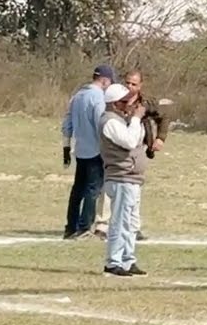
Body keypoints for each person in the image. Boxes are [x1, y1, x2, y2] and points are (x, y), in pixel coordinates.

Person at [92, 69, 167, 240]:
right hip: (118, 149)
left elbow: (164, 116)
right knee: (111, 187)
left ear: (141, 86)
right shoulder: (114, 104)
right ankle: (103, 225)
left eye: (134, 84)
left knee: (133, 190)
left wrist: (160, 138)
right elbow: (123, 136)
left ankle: (134, 227)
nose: (130, 87)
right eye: (127, 83)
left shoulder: (145, 103)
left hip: (136, 149)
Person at [98, 83, 149, 277]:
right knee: (119, 221)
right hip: (120, 178)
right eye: (126, 101)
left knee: (130, 222)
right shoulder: (110, 122)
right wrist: (135, 119)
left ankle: (128, 260)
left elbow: (138, 139)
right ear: (114, 104)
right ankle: (113, 262)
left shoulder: (122, 120)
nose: (130, 104)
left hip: (131, 178)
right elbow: (129, 141)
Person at [61, 64, 114, 240]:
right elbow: (101, 123)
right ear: (105, 80)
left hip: (80, 149)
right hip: (95, 150)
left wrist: (66, 147)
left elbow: (67, 122)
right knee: (93, 190)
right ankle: (84, 227)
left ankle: (70, 227)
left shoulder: (78, 96)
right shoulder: (98, 97)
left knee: (78, 189)